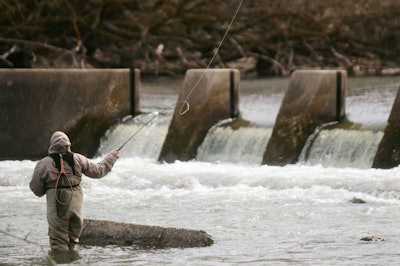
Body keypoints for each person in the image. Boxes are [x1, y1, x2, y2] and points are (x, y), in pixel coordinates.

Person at [30, 131, 119, 252]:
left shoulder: (44, 164)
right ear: (68, 144)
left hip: (57, 208)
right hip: (76, 206)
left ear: (52, 145)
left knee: (58, 244)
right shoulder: (78, 159)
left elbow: (37, 190)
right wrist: (111, 157)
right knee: (73, 242)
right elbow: (99, 171)